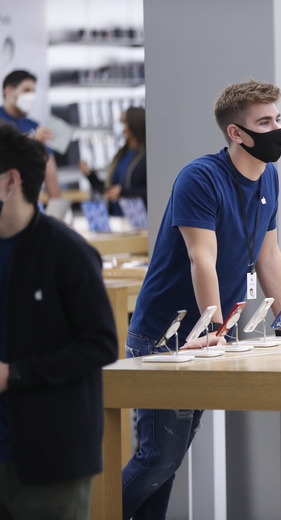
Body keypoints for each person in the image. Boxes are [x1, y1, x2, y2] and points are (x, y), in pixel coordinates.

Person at [122, 80, 281, 520]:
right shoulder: (200, 177)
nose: (277, 129)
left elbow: (269, 253)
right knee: (157, 459)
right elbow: (201, 258)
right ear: (236, 133)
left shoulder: (268, 176)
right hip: (168, 334)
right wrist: (212, 328)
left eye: (278, 119)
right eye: (264, 122)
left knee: (166, 463)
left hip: (209, 336)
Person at [0, 125, 118, 518]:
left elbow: (101, 343)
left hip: (51, 455)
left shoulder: (67, 252)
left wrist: (15, 373)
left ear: (10, 182)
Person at [0, 70, 61, 199]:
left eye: (33, 91)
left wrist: (57, 209)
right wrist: (31, 139)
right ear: (9, 91)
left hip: (27, 204)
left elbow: (49, 166)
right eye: (26, 90)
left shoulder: (34, 125)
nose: (31, 96)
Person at [80, 106, 147, 214]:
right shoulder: (121, 155)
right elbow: (109, 189)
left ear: (135, 125)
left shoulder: (146, 158)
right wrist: (90, 175)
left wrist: (124, 192)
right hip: (117, 217)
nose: (121, 127)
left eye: (124, 122)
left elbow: (150, 192)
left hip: (139, 220)